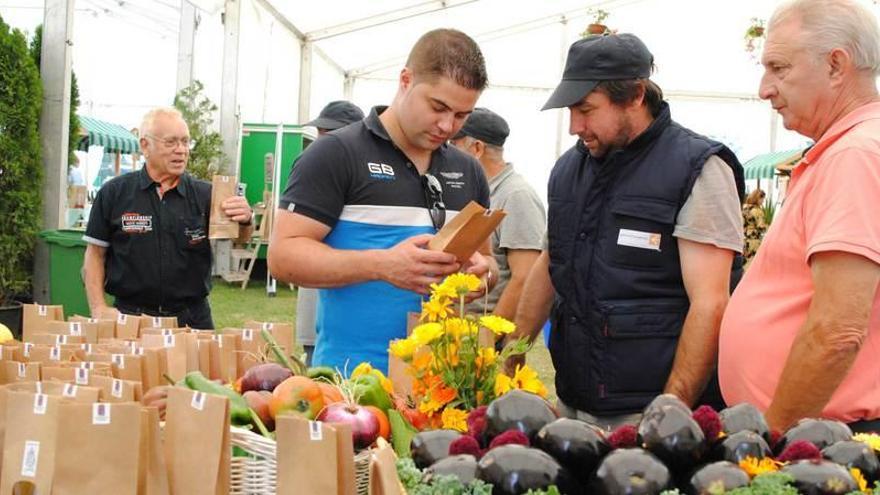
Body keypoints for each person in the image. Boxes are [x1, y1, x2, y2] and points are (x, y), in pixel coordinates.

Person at [504, 33, 745, 430]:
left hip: (651, 409)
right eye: (570, 110)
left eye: (586, 110)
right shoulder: (568, 170)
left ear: (635, 95)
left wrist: (669, 413)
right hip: (573, 402)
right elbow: (552, 263)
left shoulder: (698, 168)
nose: (574, 126)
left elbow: (711, 303)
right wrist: (513, 352)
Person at [268, 29, 497, 373]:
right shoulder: (335, 154)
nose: (447, 125)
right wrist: (381, 265)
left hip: (444, 382)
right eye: (438, 107)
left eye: (463, 115)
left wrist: (482, 275)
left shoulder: (468, 170)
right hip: (353, 383)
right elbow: (283, 257)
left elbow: (490, 263)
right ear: (406, 80)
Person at [719, 0, 880, 433]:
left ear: (835, 65)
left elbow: (837, 332)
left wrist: (773, 440)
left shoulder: (855, 155)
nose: (764, 88)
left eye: (778, 67)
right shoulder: (847, 149)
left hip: (820, 441)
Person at [82, 107, 253, 329]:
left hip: (192, 320)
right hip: (132, 319)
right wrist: (98, 308)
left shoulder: (206, 195)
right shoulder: (114, 193)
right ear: (145, 145)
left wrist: (246, 220)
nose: (181, 150)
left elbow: (240, 239)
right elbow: (95, 254)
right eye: (171, 142)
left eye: (185, 142)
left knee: (196, 367)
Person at [450, 108, 545, 320]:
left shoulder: (516, 196)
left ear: (477, 148)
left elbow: (525, 276)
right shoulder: (475, 191)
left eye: (454, 145)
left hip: (486, 335)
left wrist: (490, 336)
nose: (447, 153)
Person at [296, 100, 365, 365]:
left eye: (331, 134)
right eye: (321, 134)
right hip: (315, 305)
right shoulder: (312, 167)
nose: (323, 142)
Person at [741, 188, 767, 266]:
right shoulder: (757, 211)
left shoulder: (744, 208)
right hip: (754, 240)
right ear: (758, 198)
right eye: (762, 199)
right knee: (753, 264)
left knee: (745, 263)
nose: (763, 201)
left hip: (744, 239)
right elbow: (761, 227)